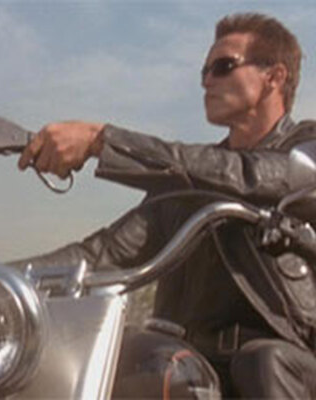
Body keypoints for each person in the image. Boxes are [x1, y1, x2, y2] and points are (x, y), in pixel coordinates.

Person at [16, 13, 316, 398]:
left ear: (274, 77)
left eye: (223, 67)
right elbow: (104, 253)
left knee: (262, 361)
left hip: (290, 362)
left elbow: (251, 175)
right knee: (115, 355)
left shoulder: (305, 149)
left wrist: (101, 141)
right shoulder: (191, 180)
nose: (207, 81)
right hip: (191, 362)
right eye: (205, 71)